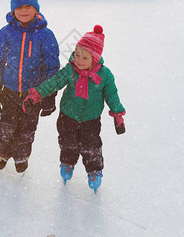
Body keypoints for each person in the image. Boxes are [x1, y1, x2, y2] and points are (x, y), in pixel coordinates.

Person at [22, 25, 125, 193]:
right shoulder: (70, 70)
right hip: (67, 116)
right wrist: (37, 94)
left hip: (91, 120)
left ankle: (94, 171)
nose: (79, 60)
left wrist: (118, 115)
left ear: (95, 59)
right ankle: (68, 163)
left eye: (85, 57)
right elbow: (53, 82)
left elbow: (112, 95)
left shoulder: (105, 75)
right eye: (77, 54)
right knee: (67, 142)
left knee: (91, 146)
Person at [0, 0, 60, 173]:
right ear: (13, 11)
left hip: (34, 94)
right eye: (19, 7)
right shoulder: (6, 33)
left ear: (36, 9)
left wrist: (49, 94)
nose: (24, 11)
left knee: (27, 129)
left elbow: (52, 67)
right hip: (10, 90)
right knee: (7, 125)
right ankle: (2, 153)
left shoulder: (45, 35)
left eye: (28, 6)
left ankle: (21, 156)